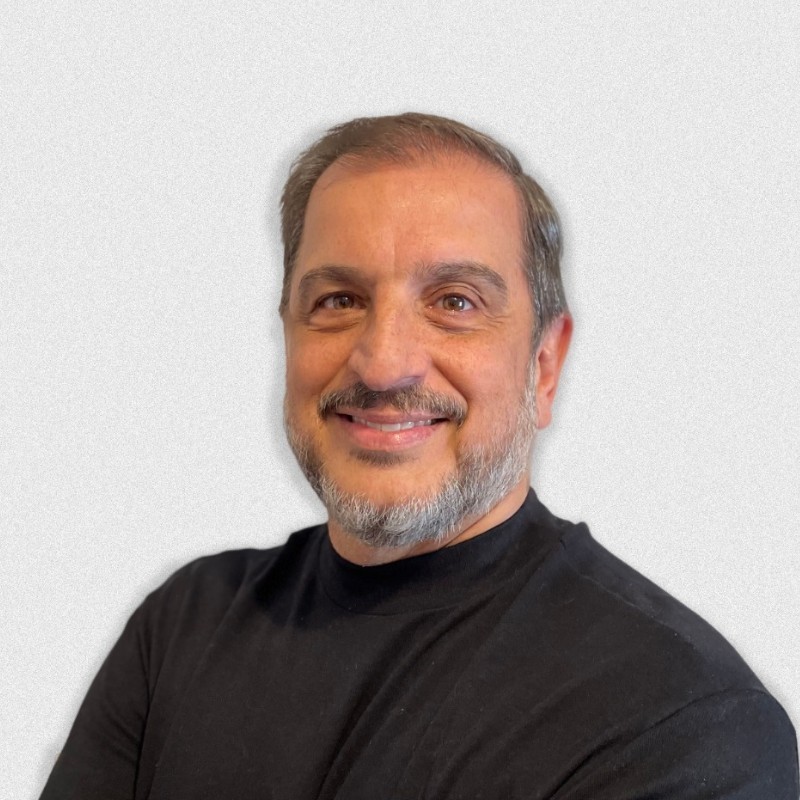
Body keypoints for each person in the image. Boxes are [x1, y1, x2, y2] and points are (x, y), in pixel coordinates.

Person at [40, 113, 798, 799]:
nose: (383, 363)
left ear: (543, 366)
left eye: (455, 302)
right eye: (338, 300)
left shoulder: (682, 722)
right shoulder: (183, 627)